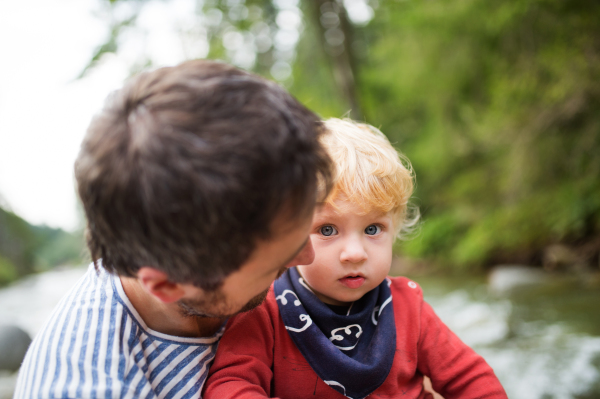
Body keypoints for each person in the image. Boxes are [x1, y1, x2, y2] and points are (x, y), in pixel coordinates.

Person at [13, 60, 333, 399]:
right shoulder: (89, 383)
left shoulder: (210, 265)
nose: (309, 256)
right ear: (167, 284)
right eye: (277, 265)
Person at [204, 118, 508, 399]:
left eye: (373, 228)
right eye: (327, 229)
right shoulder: (264, 309)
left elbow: (472, 379)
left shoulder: (408, 307)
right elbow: (229, 386)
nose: (355, 253)